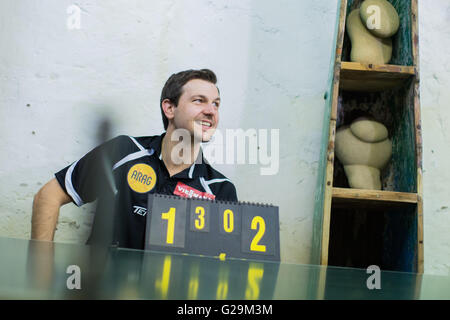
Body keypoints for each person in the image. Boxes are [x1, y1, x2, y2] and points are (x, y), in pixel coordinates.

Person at [31, 69, 238, 250]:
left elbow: (222, 266)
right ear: (169, 108)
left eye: (216, 104)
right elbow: (48, 196)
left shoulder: (220, 189)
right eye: (199, 100)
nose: (211, 111)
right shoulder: (123, 152)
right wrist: (42, 272)